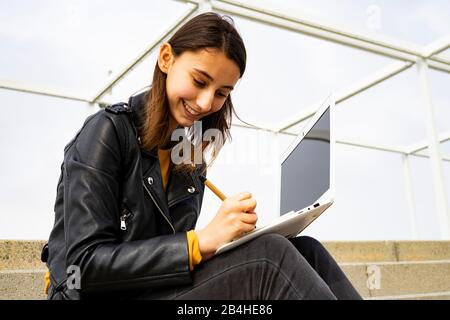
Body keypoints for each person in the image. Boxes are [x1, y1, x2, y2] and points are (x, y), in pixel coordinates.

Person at [42, 12, 362, 300]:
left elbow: (173, 262)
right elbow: (81, 266)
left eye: (222, 93)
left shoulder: (189, 158)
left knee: (307, 250)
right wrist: (200, 241)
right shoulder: (107, 132)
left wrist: (228, 240)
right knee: (270, 256)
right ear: (166, 59)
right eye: (199, 81)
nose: (207, 102)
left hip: (156, 291)